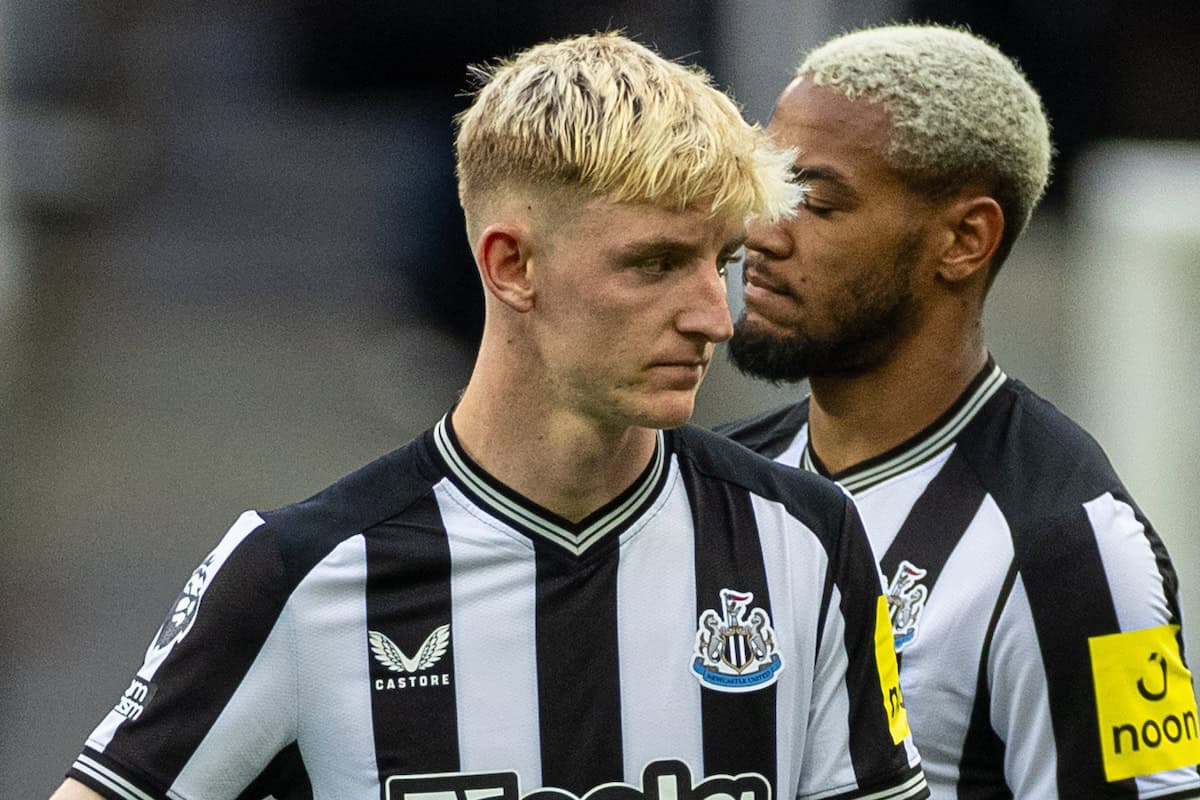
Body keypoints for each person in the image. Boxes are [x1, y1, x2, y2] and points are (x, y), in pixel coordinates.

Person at [52, 32, 930, 800]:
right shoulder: (302, 574)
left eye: (723, 261)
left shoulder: (807, 543)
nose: (715, 315)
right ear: (511, 266)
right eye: (656, 264)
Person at [719, 22, 1200, 798]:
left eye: (815, 200)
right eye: (767, 189)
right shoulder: (718, 483)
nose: (760, 234)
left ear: (964, 240)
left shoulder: (1073, 545)